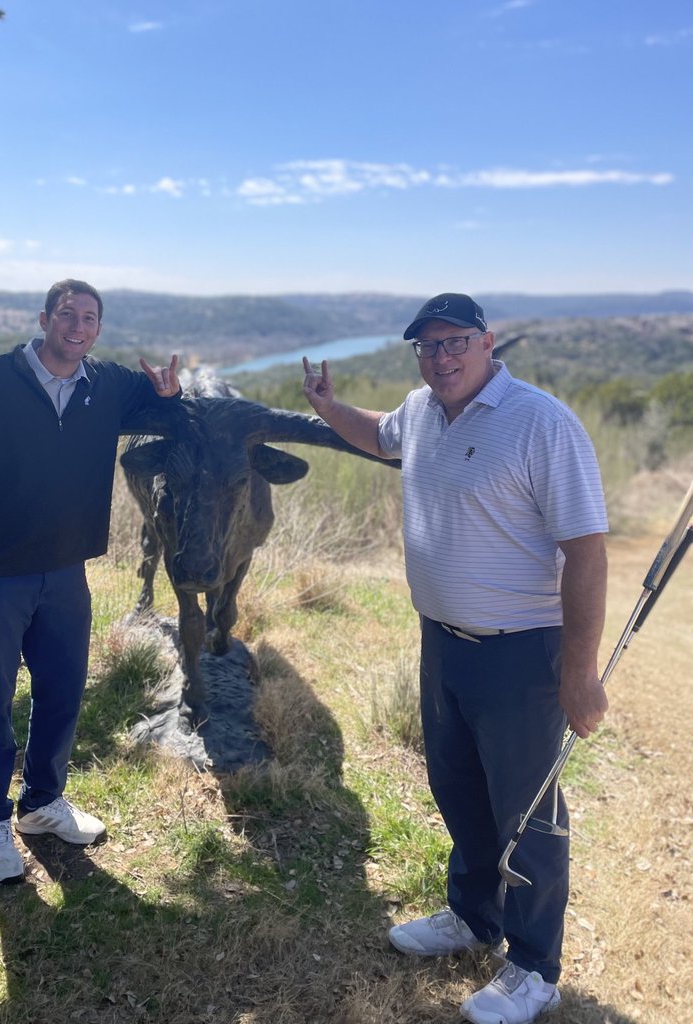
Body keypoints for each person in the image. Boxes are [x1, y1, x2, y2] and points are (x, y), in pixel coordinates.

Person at [302, 292, 608, 1024]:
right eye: (427, 347)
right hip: (442, 644)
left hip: (520, 655)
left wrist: (578, 667)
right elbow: (379, 436)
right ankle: (474, 916)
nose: (440, 358)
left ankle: (534, 967)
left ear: (487, 342)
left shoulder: (541, 423)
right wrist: (326, 408)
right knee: (458, 789)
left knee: (527, 813)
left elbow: (587, 555)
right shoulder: (422, 410)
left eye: (454, 343)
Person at [0, 278, 182, 884]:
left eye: (90, 318)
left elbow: (160, 412)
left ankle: (41, 804)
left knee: (63, 692)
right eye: (67, 314)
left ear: (97, 329)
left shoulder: (107, 384)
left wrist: (169, 396)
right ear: (44, 318)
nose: (78, 326)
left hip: (66, 574)